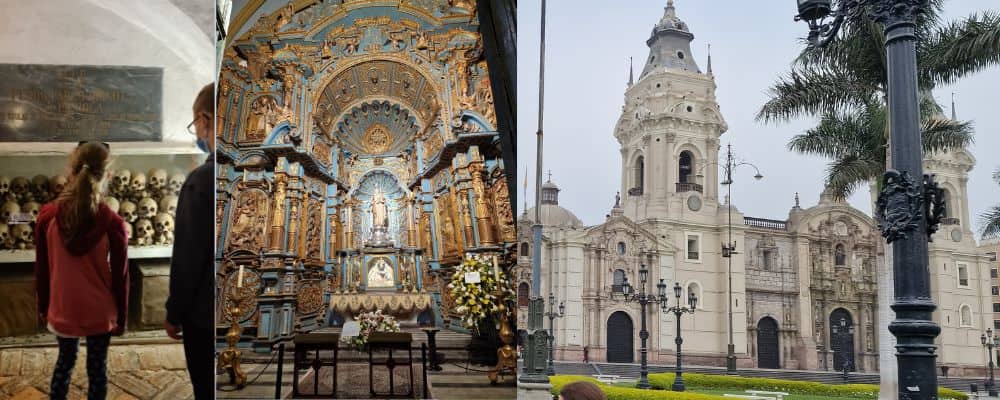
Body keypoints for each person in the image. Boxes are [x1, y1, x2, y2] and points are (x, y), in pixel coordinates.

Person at [34, 141, 128, 400]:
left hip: (63, 308)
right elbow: (121, 277)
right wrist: (122, 317)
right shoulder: (114, 223)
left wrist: (43, 307)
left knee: (64, 364)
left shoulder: (46, 217)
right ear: (107, 174)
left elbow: (42, 270)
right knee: (97, 371)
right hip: (99, 313)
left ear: (71, 172)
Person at [164, 83, 216, 399]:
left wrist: (174, 312)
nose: (195, 131)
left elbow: (187, 256)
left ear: (205, 119)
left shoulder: (199, 180)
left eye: (194, 124)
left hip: (200, 315)